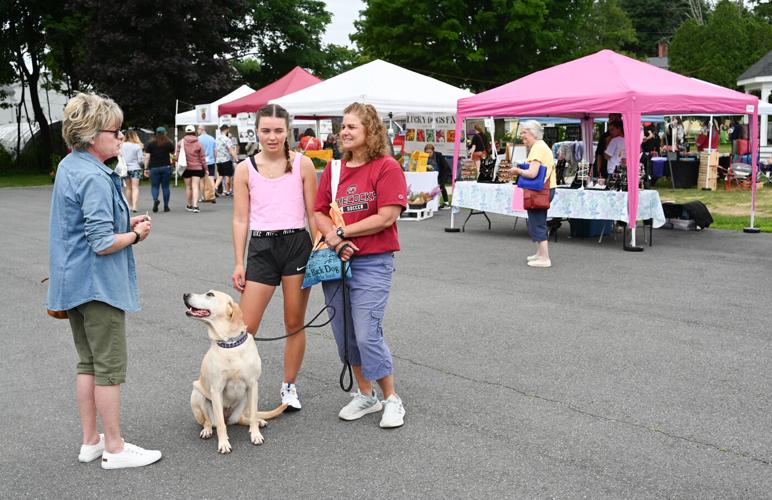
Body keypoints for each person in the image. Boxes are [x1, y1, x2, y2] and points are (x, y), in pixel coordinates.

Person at [47, 93, 161, 469]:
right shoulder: (95, 177)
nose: (121, 138)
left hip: (73, 282)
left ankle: (91, 441)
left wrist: (124, 223)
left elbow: (83, 227)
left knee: (88, 364)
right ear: (94, 134)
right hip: (98, 285)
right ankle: (114, 447)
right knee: (108, 369)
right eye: (116, 131)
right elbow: (102, 243)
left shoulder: (70, 165)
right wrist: (136, 235)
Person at [313, 102, 408, 429]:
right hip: (337, 260)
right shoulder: (334, 169)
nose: (344, 131)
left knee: (367, 333)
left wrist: (343, 232)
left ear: (371, 130)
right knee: (345, 335)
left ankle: (391, 398)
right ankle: (365, 395)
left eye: (352, 126)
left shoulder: (386, 167)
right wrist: (335, 239)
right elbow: (318, 211)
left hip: (373, 261)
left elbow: (387, 216)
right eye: (343, 127)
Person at [231, 104, 318, 411]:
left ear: (287, 131)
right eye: (266, 130)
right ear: (256, 131)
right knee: (244, 328)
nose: (272, 137)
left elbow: (313, 213)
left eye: (278, 131)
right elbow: (241, 219)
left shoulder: (302, 164)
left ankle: (289, 386)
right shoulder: (245, 169)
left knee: (294, 322)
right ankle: (237, 389)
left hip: (296, 244)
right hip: (262, 248)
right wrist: (239, 261)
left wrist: (322, 247)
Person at [511, 120, 556, 268]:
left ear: (533, 133)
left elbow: (532, 173)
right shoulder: (541, 146)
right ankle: (540, 254)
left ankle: (545, 258)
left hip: (540, 191)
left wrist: (518, 171)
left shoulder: (537, 148)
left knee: (537, 222)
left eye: (524, 132)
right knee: (537, 221)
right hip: (546, 189)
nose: (522, 135)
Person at [177, 124, 208, 213]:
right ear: (194, 132)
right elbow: (202, 157)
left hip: (186, 167)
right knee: (195, 187)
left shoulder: (181, 142)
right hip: (197, 168)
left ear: (186, 132)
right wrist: (205, 168)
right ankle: (195, 206)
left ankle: (189, 205)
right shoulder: (199, 143)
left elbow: (178, 156)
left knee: (188, 187)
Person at [143, 127, 174, 212]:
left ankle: (156, 199)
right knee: (166, 187)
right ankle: (166, 206)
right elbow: (172, 153)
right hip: (166, 167)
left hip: (154, 168)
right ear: (165, 133)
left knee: (154, 186)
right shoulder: (168, 143)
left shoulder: (150, 143)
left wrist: (146, 168)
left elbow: (147, 156)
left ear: (156, 133)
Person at [120, 129, 144, 213]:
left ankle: (129, 205)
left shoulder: (121, 145)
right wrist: (142, 166)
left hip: (125, 169)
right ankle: (134, 206)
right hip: (135, 168)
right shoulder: (137, 146)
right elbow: (140, 160)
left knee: (128, 188)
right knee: (135, 188)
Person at [594, 113, 622, 181]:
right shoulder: (604, 136)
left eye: (614, 119)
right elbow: (599, 153)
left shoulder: (626, 134)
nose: (612, 121)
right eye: (611, 119)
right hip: (606, 167)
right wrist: (598, 170)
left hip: (621, 167)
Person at [424, 144, 451, 208]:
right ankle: (435, 203)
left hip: (442, 173)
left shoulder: (438, 155)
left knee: (441, 186)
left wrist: (442, 178)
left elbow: (444, 166)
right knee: (431, 188)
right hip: (431, 175)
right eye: (427, 152)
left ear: (433, 151)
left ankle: (446, 203)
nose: (428, 154)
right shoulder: (423, 156)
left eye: (430, 152)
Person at [215, 124, 238, 196]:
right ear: (227, 129)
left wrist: (216, 158)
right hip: (226, 160)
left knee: (221, 175)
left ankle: (214, 187)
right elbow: (231, 149)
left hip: (218, 160)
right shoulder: (227, 139)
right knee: (228, 175)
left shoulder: (217, 139)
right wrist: (236, 158)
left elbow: (215, 150)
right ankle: (228, 191)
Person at [197, 125, 217, 198]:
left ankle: (203, 196)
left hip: (201, 162)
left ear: (202, 129)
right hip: (211, 161)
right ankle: (212, 195)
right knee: (211, 178)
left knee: (202, 179)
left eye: (198, 129)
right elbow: (215, 151)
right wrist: (215, 159)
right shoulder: (212, 138)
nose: (197, 131)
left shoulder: (198, 139)